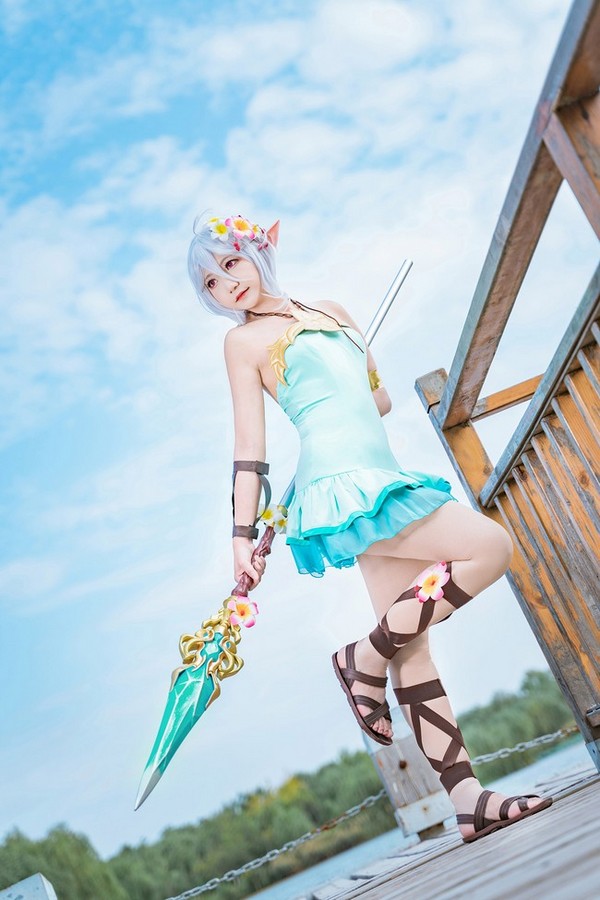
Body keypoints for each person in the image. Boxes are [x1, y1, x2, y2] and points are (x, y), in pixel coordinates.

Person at [187, 213, 552, 843]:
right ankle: (363, 657)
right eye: (211, 282)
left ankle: (467, 801)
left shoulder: (330, 310)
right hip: (341, 483)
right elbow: (250, 446)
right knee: (491, 547)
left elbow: (377, 400)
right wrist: (241, 536)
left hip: (378, 476)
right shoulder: (241, 344)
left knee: (413, 648)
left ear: (256, 253)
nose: (227, 282)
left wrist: (353, 374)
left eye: (230, 262)